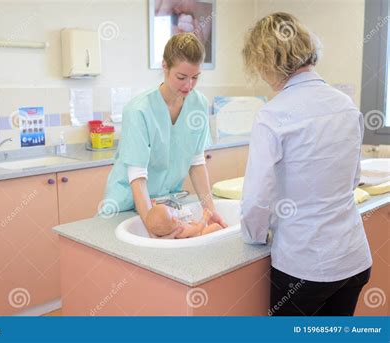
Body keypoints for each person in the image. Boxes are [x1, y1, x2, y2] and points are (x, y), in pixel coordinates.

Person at [240, 12, 372, 316]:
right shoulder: (346, 106)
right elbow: (352, 180)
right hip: (353, 260)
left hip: (305, 269)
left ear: (267, 61)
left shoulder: (272, 115)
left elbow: (257, 201)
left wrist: (256, 237)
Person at [102, 32, 226, 238]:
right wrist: (151, 224)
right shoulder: (139, 110)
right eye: (181, 77)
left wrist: (210, 211)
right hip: (126, 206)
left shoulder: (198, 104)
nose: (189, 85)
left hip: (164, 208)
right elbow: (137, 175)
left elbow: (196, 163)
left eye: (195, 77)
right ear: (165, 67)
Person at [145, 201, 224, 238]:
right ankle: (225, 236)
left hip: (199, 229)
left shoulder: (175, 225)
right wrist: (205, 217)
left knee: (212, 225)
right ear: (174, 219)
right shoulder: (181, 231)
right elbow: (198, 229)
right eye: (170, 209)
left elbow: (159, 216)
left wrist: (154, 205)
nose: (172, 207)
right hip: (201, 235)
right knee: (215, 226)